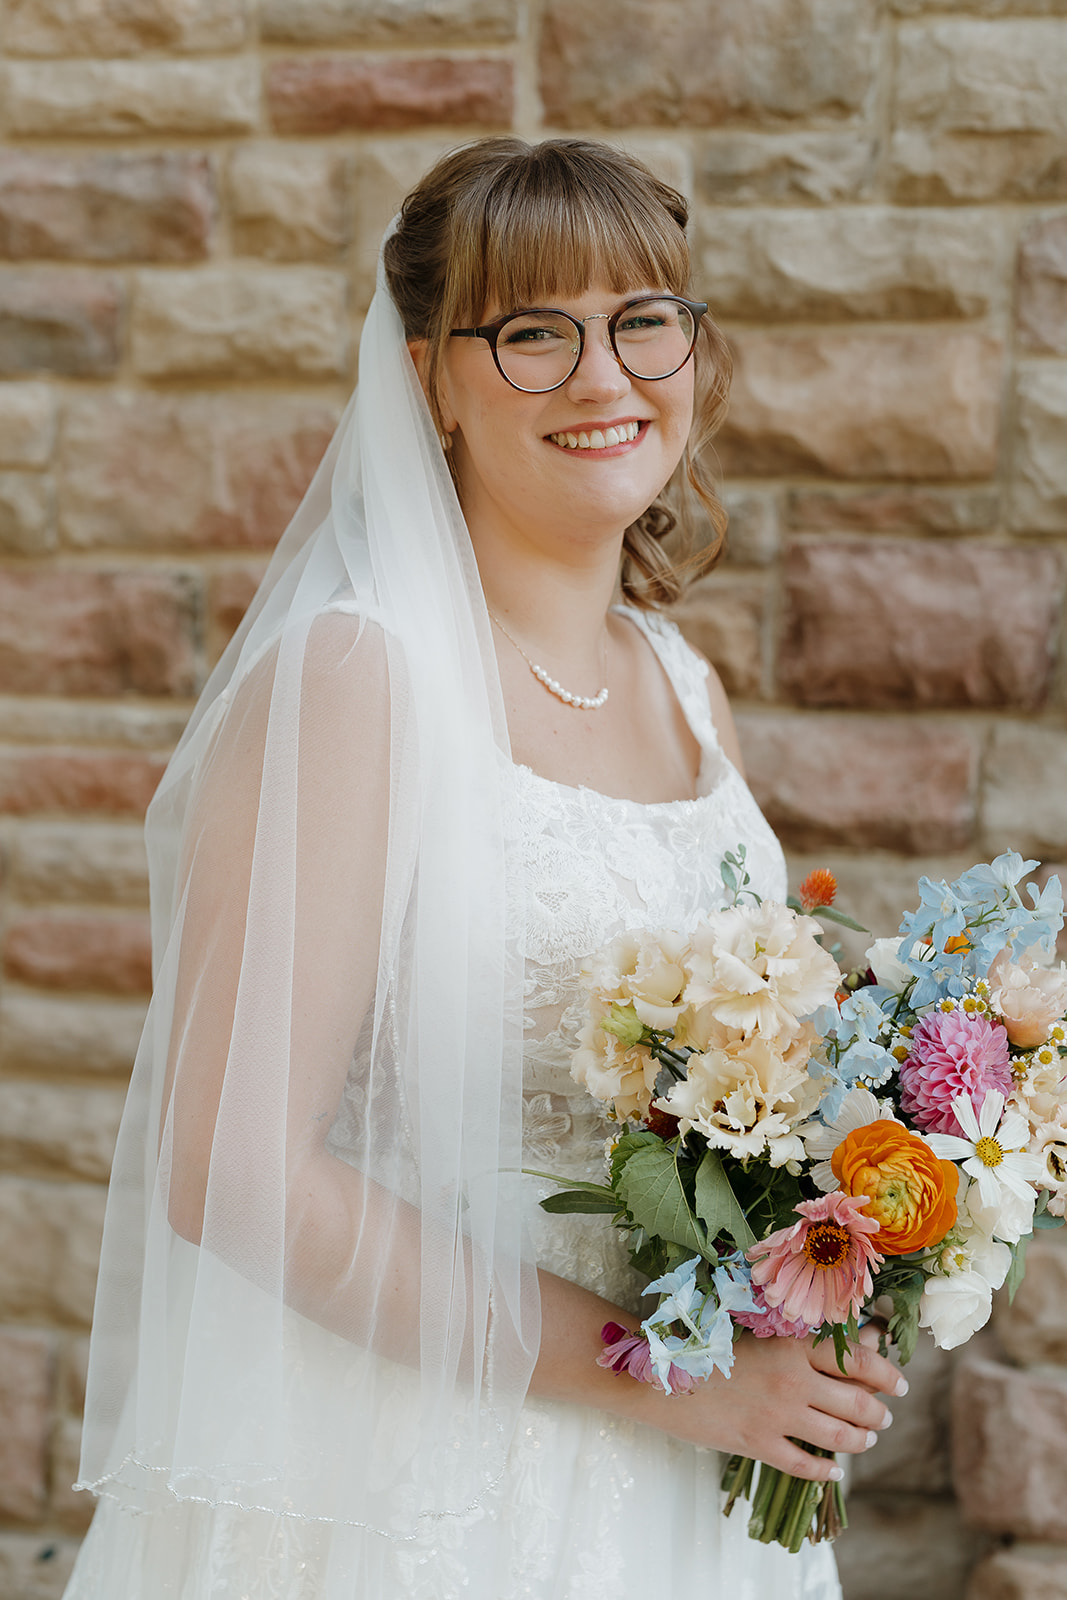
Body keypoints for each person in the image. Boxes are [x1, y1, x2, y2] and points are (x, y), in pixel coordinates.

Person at [64, 137, 903, 1600]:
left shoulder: (680, 683)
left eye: (644, 319)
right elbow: (235, 1172)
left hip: (682, 1500)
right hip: (418, 1497)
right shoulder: (358, 679)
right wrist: (667, 1383)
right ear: (427, 377)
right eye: (532, 332)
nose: (603, 376)